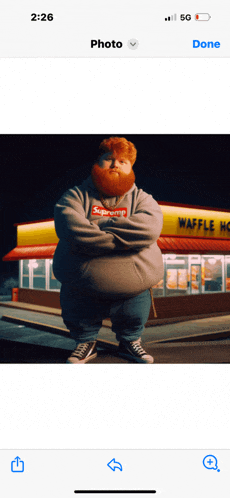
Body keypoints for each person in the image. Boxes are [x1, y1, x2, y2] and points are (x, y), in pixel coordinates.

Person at [53, 137, 163, 364]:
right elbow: (70, 227)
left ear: (131, 167)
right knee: (79, 311)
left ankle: (130, 341)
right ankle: (86, 342)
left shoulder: (143, 198)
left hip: (133, 285)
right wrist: (122, 240)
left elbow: (149, 228)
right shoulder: (75, 195)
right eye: (109, 159)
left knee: (134, 313)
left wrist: (98, 234)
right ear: (97, 162)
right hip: (82, 284)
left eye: (123, 161)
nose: (115, 165)